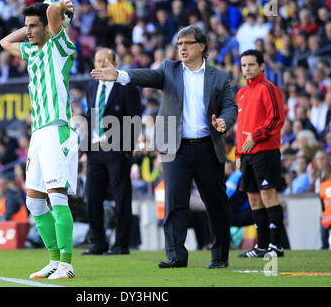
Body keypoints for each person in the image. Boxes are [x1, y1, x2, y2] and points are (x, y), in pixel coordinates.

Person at [91, 25, 237, 269]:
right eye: (179, 44)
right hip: (174, 148)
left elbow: (230, 106)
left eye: (187, 43)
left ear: (202, 46)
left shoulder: (219, 77)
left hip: (207, 147)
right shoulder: (170, 69)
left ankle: (220, 256)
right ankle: (176, 256)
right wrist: (119, 75)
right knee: (174, 202)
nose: (182, 48)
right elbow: (147, 76)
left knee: (216, 203)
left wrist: (224, 120)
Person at [0, 0, 77, 279]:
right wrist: (31, 26)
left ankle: (67, 265)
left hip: (58, 129)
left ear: (50, 28)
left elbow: (54, 14)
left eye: (34, 26)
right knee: (34, 202)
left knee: (57, 198)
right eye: (26, 26)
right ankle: (54, 260)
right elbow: (4, 42)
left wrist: (58, 5)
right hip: (39, 134)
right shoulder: (31, 53)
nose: (28, 31)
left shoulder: (60, 47)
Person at [82, 48, 141, 256]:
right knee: (92, 196)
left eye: (104, 61)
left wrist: (127, 149)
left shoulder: (126, 86)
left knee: (121, 198)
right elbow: (89, 118)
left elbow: (135, 119)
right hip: (95, 150)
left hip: (116, 150)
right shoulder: (91, 87)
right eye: (97, 61)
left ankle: (121, 245)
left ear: (114, 63)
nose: (100, 65)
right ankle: (98, 242)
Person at [235, 49, 286, 258]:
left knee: (268, 196)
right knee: (254, 200)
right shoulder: (241, 93)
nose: (247, 69)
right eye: (244, 65)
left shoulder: (269, 89)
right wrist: (238, 154)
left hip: (265, 151)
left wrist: (255, 136)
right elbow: (240, 127)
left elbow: (276, 119)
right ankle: (262, 246)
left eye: (251, 65)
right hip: (246, 155)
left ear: (262, 66)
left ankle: (277, 246)